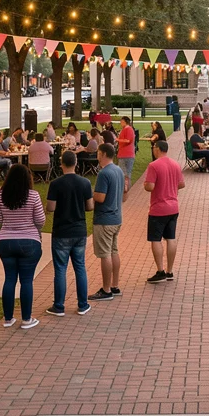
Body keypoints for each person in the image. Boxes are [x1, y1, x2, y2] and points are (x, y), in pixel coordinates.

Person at [0, 164, 45, 328]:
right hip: (29, 241)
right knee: (26, 281)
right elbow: (41, 221)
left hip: (6, 242)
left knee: (9, 279)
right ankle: (27, 319)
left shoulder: (1, 196)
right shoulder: (33, 196)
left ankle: (8, 318)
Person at [44, 151, 93, 316]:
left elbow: (50, 208)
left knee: (60, 269)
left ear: (61, 164)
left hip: (61, 231)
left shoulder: (56, 184)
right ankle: (83, 304)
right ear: (76, 162)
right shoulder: (85, 183)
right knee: (80, 267)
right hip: (79, 230)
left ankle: (59, 306)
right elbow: (90, 206)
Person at [144, 140, 185, 283]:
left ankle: (160, 270)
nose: (152, 150)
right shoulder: (175, 164)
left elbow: (149, 186)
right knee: (171, 238)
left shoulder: (153, 165)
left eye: (153, 147)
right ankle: (170, 270)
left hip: (158, 208)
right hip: (173, 207)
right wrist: (170, 187)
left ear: (158, 149)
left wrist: (147, 184)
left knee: (156, 239)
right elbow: (181, 184)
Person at [89, 145, 125, 302]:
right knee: (113, 251)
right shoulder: (118, 170)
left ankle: (106, 289)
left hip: (104, 219)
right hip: (117, 218)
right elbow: (124, 192)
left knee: (105, 255)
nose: (97, 155)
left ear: (102, 154)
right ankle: (114, 285)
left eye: (98, 152)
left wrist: (91, 193)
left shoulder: (104, 173)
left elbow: (100, 197)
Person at [117, 117, 138, 186]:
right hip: (123, 153)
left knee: (125, 173)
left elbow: (128, 140)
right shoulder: (124, 129)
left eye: (121, 121)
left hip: (126, 154)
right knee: (124, 173)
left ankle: (126, 189)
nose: (120, 123)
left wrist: (117, 140)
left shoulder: (128, 129)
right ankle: (125, 188)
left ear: (125, 122)